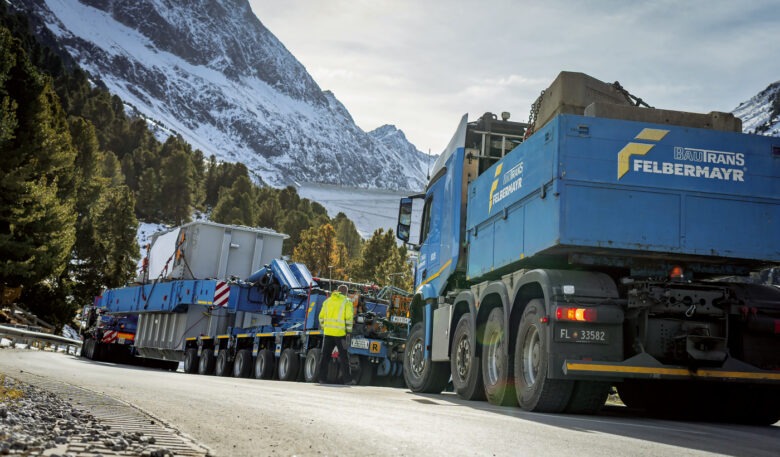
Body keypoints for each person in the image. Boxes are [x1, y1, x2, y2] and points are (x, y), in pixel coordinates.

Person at [318, 284, 355, 385]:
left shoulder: (327, 301)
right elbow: (349, 318)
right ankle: (348, 380)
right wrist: (349, 332)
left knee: (325, 356)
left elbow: (320, 317)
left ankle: (322, 378)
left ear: (337, 291)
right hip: (341, 334)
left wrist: (324, 327)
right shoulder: (347, 302)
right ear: (346, 293)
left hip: (328, 334)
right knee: (344, 357)